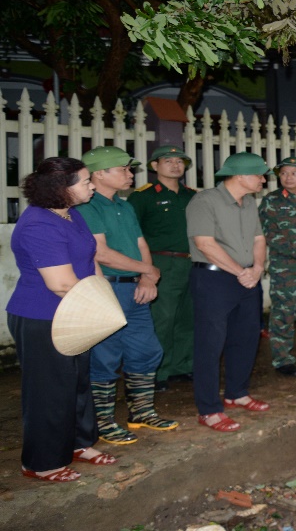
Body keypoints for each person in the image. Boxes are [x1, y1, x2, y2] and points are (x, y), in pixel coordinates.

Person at [8, 157, 116, 482]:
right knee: (48, 390)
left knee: (77, 383)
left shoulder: (71, 215)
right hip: (45, 316)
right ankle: (42, 462)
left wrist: (102, 297)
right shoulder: (39, 224)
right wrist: (99, 309)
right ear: (60, 188)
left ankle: (79, 444)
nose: (92, 185)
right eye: (85, 181)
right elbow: (61, 284)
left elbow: (89, 259)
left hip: (76, 313)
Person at [76, 146, 177, 445]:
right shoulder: (87, 206)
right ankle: (103, 421)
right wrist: (149, 269)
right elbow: (101, 252)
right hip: (106, 286)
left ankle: (141, 412)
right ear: (98, 174)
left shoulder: (124, 205)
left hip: (133, 286)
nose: (130, 174)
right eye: (122, 169)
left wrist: (147, 275)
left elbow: (140, 242)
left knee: (146, 350)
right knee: (105, 356)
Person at [186, 153, 272, 431]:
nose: (263, 179)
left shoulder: (249, 203)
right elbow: (204, 243)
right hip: (214, 280)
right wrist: (240, 271)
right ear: (239, 176)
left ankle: (237, 393)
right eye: (259, 174)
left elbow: (259, 238)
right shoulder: (204, 201)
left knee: (246, 338)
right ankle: (208, 409)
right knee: (210, 344)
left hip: (248, 278)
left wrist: (257, 268)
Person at [128, 145, 196, 392]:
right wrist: (144, 269)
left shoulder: (191, 195)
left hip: (190, 261)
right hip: (161, 263)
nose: (175, 165)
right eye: (168, 161)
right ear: (155, 166)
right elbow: (134, 235)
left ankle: (182, 365)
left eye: (180, 161)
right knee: (163, 318)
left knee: (187, 317)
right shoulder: (144, 196)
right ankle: (159, 370)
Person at [260, 157, 296, 376]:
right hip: (285, 267)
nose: (288, 177)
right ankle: (282, 358)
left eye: (294, 173)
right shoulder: (271, 201)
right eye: (284, 173)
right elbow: (270, 233)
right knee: (284, 313)